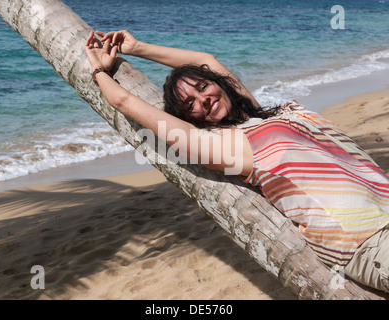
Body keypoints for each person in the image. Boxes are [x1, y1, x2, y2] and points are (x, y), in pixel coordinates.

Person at [85, 30, 389, 293]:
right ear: (187, 118)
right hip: (367, 239)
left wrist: (137, 48)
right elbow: (123, 102)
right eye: (189, 104)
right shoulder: (224, 146)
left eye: (203, 87)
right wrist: (99, 71)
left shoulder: (262, 116)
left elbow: (209, 62)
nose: (202, 100)